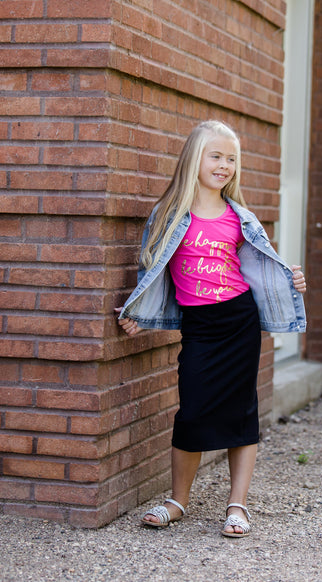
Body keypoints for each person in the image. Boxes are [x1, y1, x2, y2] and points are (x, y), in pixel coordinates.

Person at [116, 120, 307, 538]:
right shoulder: (170, 215)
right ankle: (177, 501)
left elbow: (263, 268)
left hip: (239, 322)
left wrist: (291, 282)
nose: (224, 165)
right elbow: (153, 275)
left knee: (242, 412)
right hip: (200, 327)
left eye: (231, 159)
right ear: (194, 160)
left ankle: (237, 506)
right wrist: (138, 312)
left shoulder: (240, 217)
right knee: (193, 412)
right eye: (216, 156)